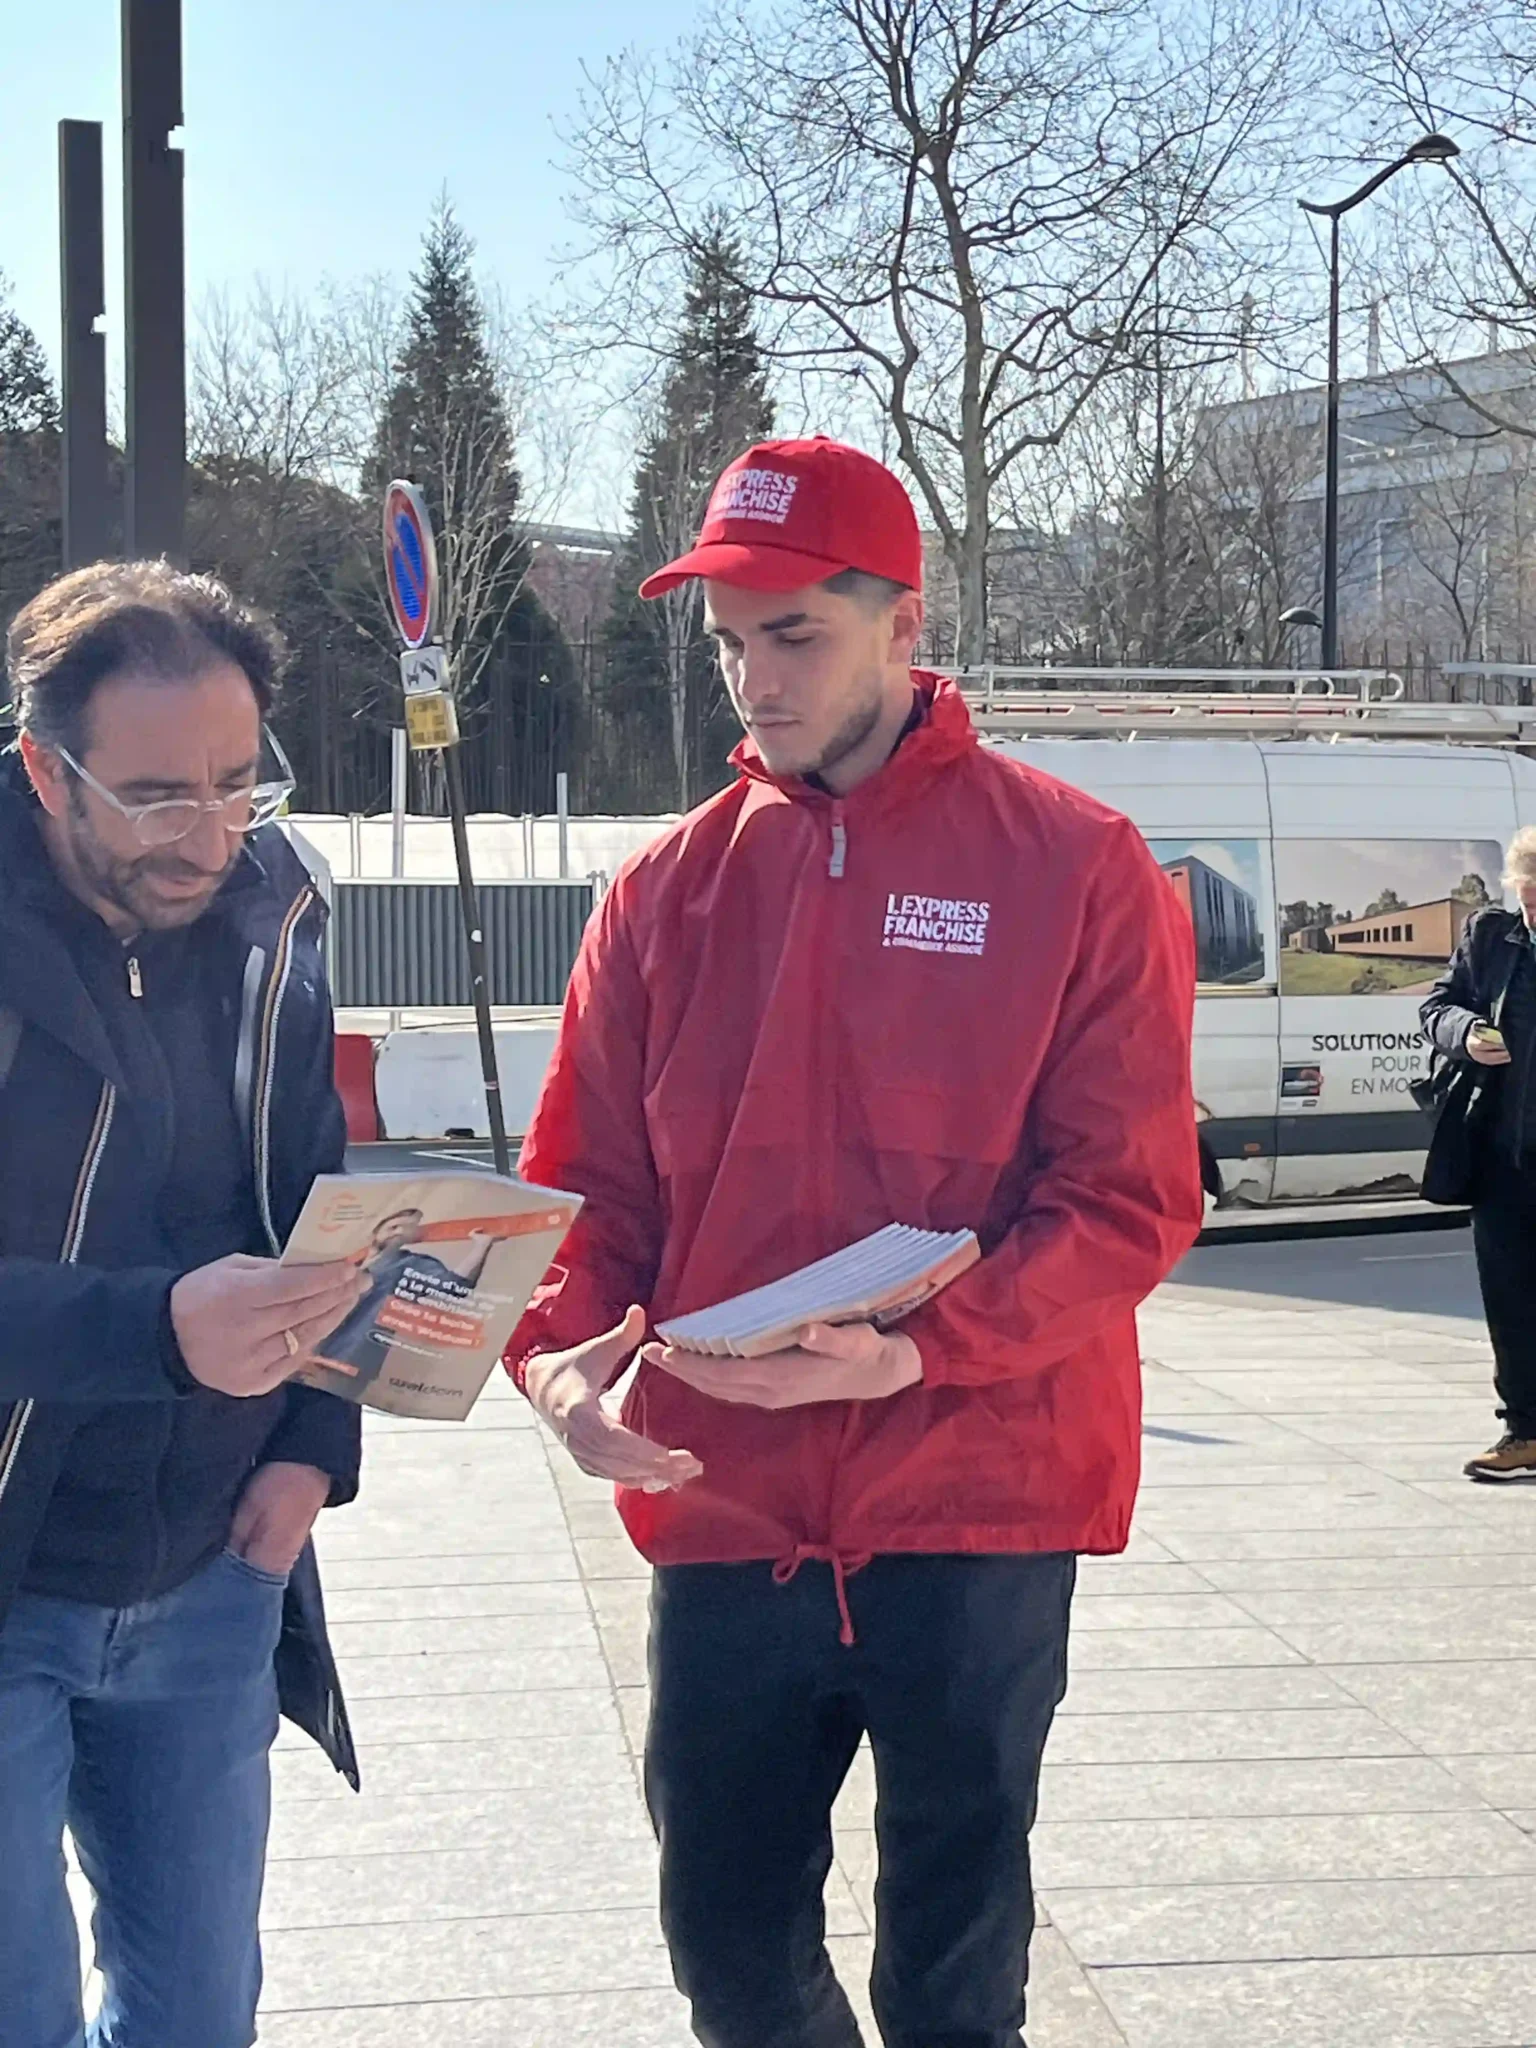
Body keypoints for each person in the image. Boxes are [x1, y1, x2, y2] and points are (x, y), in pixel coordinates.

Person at [508, 436, 1204, 2048]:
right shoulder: (663, 889)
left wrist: (916, 1352)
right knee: (730, 1954)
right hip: (725, 1490)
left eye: (794, 635)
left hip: (978, 1494)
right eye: (729, 642)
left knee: (954, 1975)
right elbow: (586, 1192)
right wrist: (558, 1367)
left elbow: (1128, 1199)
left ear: (904, 622)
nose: (754, 679)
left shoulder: (1076, 865)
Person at [0, 561, 370, 2048]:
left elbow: (317, 1199)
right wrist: (155, 1332)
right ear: (46, 769)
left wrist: (313, 1445)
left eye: (237, 784)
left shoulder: (274, 909)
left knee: (199, 2016)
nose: (210, 838)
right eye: (157, 797)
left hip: (213, 1564)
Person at [1422, 827, 1536, 1481]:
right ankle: (1525, 1432)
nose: (1534, 916)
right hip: (1504, 1154)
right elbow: (1439, 1004)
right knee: (1511, 1303)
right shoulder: (1492, 935)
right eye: (1529, 900)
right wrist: (1465, 1032)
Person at [319, 1208, 497, 1392]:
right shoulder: (346, 1260)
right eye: (394, 1227)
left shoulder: (411, 1264)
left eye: (406, 1230)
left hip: (349, 1361)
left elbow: (456, 1286)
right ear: (375, 1231)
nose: (399, 1233)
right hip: (309, 1350)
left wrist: (482, 1246)